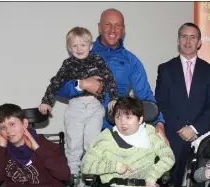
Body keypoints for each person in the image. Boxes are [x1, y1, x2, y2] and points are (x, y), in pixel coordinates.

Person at [55, 8, 167, 142]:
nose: (113, 30)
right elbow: (59, 88)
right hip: (84, 129)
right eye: (108, 24)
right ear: (99, 27)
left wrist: (159, 123)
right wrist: (82, 84)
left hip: (116, 132)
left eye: (118, 25)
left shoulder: (131, 61)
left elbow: (146, 96)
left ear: (123, 29)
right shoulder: (82, 52)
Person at [38, 26, 118, 181]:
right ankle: (72, 177)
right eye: (74, 46)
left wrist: (114, 98)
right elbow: (56, 83)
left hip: (94, 107)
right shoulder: (68, 64)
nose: (79, 49)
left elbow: (109, 79)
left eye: (83, 45)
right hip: (75, 107)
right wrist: (46, 101)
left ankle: (91, 175)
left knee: (92, 143)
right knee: (73, 144)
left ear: (90, 46)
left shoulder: (98, 60)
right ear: (69, 48)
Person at [155, 22, 210, 187]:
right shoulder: (165, 69)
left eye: (193, 37)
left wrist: (194, 128)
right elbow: (161, 103)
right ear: (178, 41)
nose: (188, 41)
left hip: (201, 136)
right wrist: (180, 127)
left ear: (199, 42)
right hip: (173, 136)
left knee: (202, 186)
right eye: (184, 36)